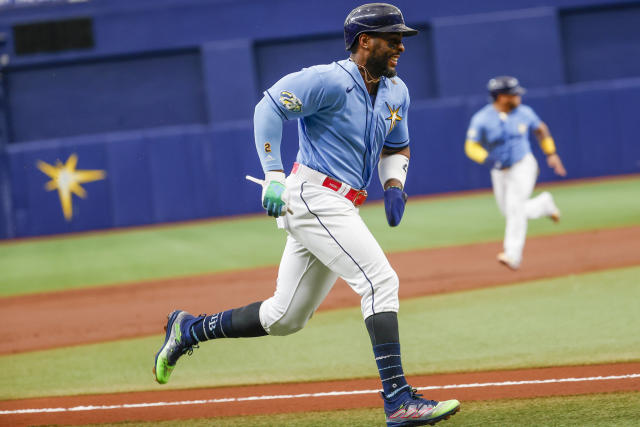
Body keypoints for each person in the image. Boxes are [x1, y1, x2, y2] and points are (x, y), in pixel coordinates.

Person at [154, 3, 460, 425]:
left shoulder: (396, 91)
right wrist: (273, 175)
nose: (401, 47)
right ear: (364, 42)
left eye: (402, 38)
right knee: (379, 281)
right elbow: (269, 107)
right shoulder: (327, 80)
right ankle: (398, 399)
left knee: (285, 317)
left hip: (343, 202)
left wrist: (394, 185)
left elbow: (396, 145)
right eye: (393, 39)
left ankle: (188, 329)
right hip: (314, 195)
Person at [464, 76, 567, 270]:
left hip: (523, 164)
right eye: (513, 93)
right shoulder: (482, 118)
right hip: (499, 170)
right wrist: (488, 159)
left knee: (514, 208)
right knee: (510, 211)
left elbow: (541, 129)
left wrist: (551, 153)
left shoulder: (524, 112)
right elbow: (470, 146)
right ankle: (544, 203)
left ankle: (513, 255)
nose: (518, 96)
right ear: (501, 96)